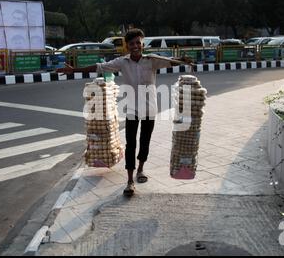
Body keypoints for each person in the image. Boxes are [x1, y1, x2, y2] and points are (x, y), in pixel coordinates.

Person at [67, 28, 193, 196]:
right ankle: (129, 180)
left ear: (142, 44)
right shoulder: (122, 62)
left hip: (150, 109)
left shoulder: (152, 61)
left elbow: (170, 61)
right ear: (127, 46)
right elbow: (100, 67)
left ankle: (140, 170)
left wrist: (184, 61)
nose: (135, 46)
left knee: (145, 141)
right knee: (131, 144)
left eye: (138, 43)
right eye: (132, 43)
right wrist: (73, 70)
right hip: (132, 109)